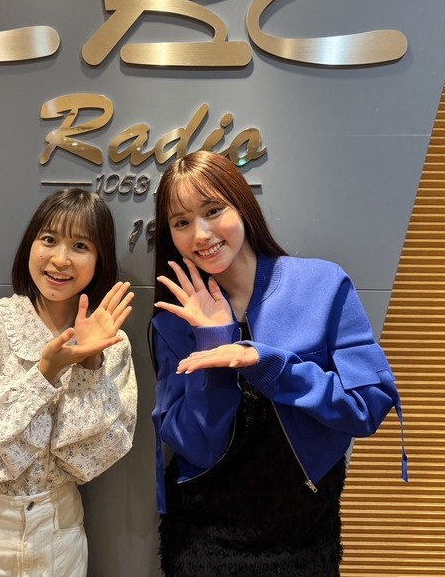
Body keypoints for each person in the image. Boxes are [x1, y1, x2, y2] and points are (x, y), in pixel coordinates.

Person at [150, 151, 406, 577]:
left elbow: (366, 408)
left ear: (241, 205)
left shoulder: (322, 285)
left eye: (213, 211)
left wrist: (269, 366)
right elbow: (197, 447)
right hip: (203, 536)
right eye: (181, 222)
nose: (201, 233)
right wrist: (215, 342)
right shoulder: (173, 322)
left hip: (303, 529)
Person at [0, 188, 137, 577]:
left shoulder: (112, 343)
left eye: (80, 245)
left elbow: (92, 458)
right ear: (30, 246)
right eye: (49, 239)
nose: (60, 259)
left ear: (100, 259)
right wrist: (43, 376)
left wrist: (89, 364)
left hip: (58, 531)